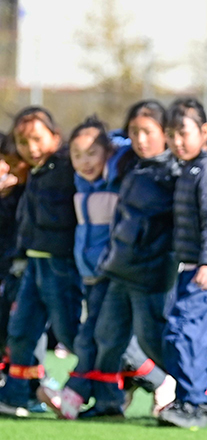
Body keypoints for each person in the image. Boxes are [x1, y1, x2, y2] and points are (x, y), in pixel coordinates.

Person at [37, 116, 172, 420]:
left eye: (91, 154)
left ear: (107, 154)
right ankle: (114, 396)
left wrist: (118, 144)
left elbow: (126, 149)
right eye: (77, 155)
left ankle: (84, 394)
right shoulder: (79, 184)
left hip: (111, 272)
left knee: (98, 337)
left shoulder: (116, 182)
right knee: (102, 338)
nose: (84, 162)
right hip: (88, 273)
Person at [88, 101, 179, 420]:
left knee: (153, 340)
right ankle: (107, 403)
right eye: (134, 132)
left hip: (152, 274)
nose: (140, 140)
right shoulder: (131, 165)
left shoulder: (176, 171)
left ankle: (187, 395)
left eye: (148, 132)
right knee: (107, 337)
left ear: (166, 133)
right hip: (120, 268)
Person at [156, 98, 207, 428]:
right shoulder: (191, 169)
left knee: (185, 330)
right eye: (171, 135)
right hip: (197, 264)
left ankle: (195, 402)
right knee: (195, 332)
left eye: (183, 133)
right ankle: (195, 399)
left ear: (204, 132)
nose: (177, 141)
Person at [0, 108, 81, 417]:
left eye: (37, 139)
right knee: (21, 331)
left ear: (55, 137)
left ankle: (131, 378)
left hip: (60, 265)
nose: (30, 148)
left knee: (70, 333)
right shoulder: (35, 172)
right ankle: (16, 395)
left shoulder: (66, 167)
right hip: (32, 264)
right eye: (23, 142)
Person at [0, 132, 29, 364]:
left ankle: (30, 375)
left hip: (18, 265)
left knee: (20, 323)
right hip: (7, 264)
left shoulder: (27, 190)